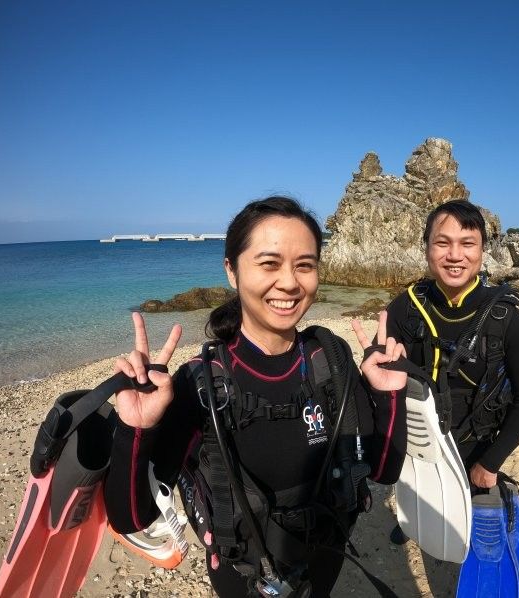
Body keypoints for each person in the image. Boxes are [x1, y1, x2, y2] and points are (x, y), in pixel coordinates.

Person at [105, 196, 408, 598]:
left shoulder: (329, 358)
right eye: (269, 264)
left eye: (305, 265)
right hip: (241, 576)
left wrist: (388, 399)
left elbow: (382, 470)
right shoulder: (200, 385)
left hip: (323, 560)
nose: (289, 282)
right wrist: (136, 429)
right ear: (231, 270)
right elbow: (130, 516)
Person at [383, 199, 519, 543]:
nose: (455, 255)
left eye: (467, 243)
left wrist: (491, 462)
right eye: (442, 243)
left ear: (482, 251)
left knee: (469, 537)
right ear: (427, 247)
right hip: (418, 446)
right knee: (422, 513)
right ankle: (413, 522)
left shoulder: (507, 319)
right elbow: (384, 384)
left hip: (477, 447)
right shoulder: (404, 309)